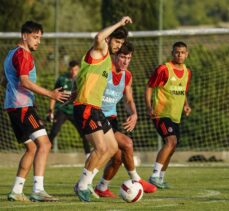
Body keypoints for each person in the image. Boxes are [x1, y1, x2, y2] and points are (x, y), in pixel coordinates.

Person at [3, 21, 69, 202]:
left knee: (31, 148)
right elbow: (24, 81)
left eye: (40, 37)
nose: (38, 41)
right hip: (22, 107)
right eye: (35, 37)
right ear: (24, 36)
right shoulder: (23, 54)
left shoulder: (10, 54)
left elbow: (5, 81)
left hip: (14, 106)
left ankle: (16, 191)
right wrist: (50, 94)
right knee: (45, 144)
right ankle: (38, 190)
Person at [73, 16, 132, 202]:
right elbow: (99, 36)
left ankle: (86, 181)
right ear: (109, 39)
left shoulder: (107, 60)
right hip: (85, 106)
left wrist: (74, 92)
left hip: (95, 108)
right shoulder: (99, 50)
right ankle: (82, 185)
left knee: (112, 148)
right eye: (116, 41)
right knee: (100, 147)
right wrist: (119, 24)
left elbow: (83, 77)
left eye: (121, 42)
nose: (118, 45)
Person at [94, 41, 157, 198]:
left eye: (129, 58)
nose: (126, 61)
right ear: (115, 55)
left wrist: (134, 113)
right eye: (122, 57)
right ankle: (136, 179)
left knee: (118, 158)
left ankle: (101, 188)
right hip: (96, 115)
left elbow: (128, 100)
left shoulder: (127, 75)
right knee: (127, 144)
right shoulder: (105, 70)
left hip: (111, 119)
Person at [145, 41, 192, 189]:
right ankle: (154, 175)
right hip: (161, 113)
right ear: (172, 53)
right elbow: (149, 87)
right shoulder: (164, 69)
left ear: (187, 54)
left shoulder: (187, 72)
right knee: (170, 141)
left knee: (173, 146)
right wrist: (148, 107)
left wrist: (186, 105)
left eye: (182, 52)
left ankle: (161, 178)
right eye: (177, 52)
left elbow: (183, 90)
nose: (180, 55)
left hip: (175, 116)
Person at [46, 60, 91, 157]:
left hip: (76, 110)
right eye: (71, 69)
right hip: (62, 109)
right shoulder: (62, 79)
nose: (73, 72)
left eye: (76, 69)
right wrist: (51, 110)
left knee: (84, 133)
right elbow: (54, 94)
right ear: (69, 69)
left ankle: (88, 156)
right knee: (54, 131)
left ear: (79, 70)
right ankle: (43, 151)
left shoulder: (83, 79)